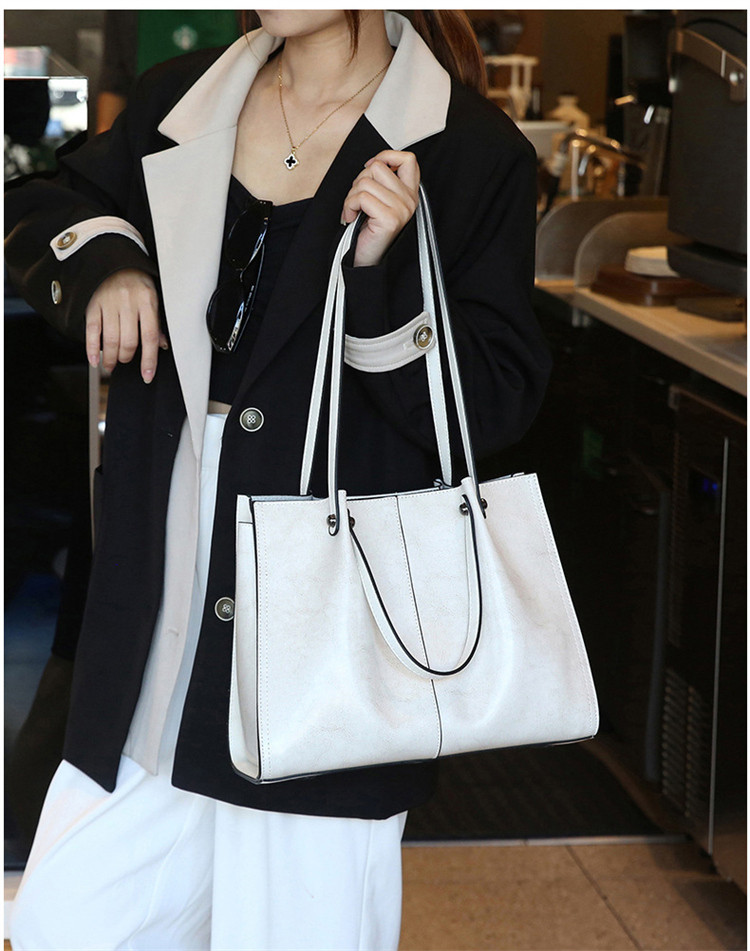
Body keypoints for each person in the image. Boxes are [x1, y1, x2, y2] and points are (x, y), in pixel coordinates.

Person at [5, 10, 552, 950]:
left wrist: (383, 282)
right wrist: (109, 265)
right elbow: (42, 202)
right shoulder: (184, 102)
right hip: (160, 595)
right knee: (69, 922)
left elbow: (492, 404)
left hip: (329, 632)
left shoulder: (468, 149)